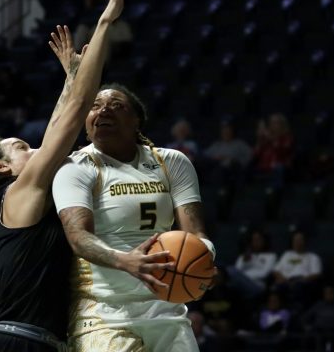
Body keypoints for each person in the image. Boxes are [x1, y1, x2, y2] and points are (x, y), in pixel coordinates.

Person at [0, 0, 139, 352]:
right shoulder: (20, 192)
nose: (33, 149)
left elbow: (57, 130)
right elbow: (72, 119)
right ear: (1, 167)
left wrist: (70, 79)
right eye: (21, 147)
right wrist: (105, 22)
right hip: (20, 343)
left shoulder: (12, 204)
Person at [52, 51, 216, 350]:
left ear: (136, 120)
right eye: (95, 106)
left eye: (116, 106)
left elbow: (195, 232)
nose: (103, 111)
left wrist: (205, 257)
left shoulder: (171, 162)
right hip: (102, 309)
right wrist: (124, 261)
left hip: (166, 303)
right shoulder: (76, 167)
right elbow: (77, 237)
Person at [273, 232, 322, 306]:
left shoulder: (313, 257)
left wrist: (299, 281)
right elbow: (276, 271)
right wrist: (284, 279)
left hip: (303, 282)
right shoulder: (287, 254)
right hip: (286, 281)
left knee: (299, 287)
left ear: (305, 242)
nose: (297, 243)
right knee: (276, 287)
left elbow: (316, 274)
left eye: (300, 240)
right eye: (295, 240)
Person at [302, 284, 334, 352]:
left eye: (331, 293)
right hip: (318, 331)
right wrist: (306, 326)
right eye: (326, 293)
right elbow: (306, 317)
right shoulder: (319, 304)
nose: (328, 296)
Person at [203, 118, 252, 185]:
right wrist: (216, 159)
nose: (225, 131)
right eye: (223, 129)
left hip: (232, 176)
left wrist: (232, 160)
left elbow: (248, 158)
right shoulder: (216, 145)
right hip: (215, 174)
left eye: (228, 128)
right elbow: (205, 156)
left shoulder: (240, 145)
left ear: (233, 130)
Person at [230, 230, 277, 299]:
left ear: (264, 241)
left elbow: (265, 274)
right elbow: (236, 271)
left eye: (258, 239)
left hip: (257, 285)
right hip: (241, 284)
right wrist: (245, 261)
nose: (256, 242)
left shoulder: (271, 256)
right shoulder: (244, 256)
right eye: (254, 239)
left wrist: (246, 277)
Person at [253, 113, 294, 186]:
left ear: (282, 125)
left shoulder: (287, 138)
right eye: (271, 122)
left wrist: (271, 138)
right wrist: (259, 140)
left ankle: (276, 193)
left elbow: (282, 153)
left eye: (275, 122)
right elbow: (255, 155)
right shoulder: (266, 138)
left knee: (278, 168)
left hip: (280, 166)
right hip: (264, 167)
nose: (272, 125)